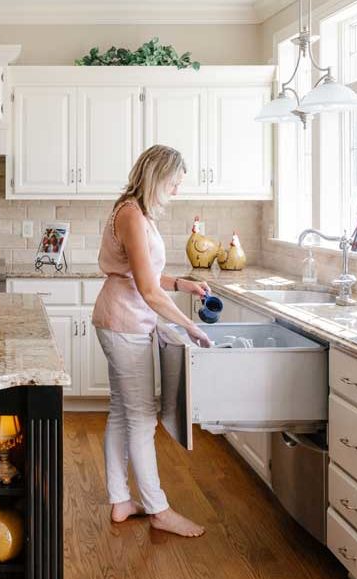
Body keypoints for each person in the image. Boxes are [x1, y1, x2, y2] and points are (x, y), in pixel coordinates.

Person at [91, 144, 212, 538]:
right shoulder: (130, 215)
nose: (175, 191)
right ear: (158, 177)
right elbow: (145, 288)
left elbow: (145, 275)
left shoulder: (135, 211)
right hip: (124, 323)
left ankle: (121, 500)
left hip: (121, 319)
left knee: (123, 412)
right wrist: (187, 325)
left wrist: (181, 283)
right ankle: (158, 509)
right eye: (174, 182)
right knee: (141, 417)